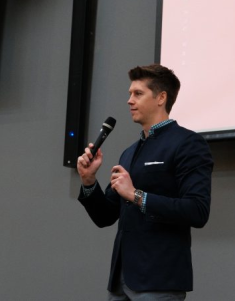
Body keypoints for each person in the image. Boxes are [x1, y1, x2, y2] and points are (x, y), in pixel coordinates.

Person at [77, 64, 214, 300]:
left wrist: (136, 195)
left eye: (138, 94)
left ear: (161, 97)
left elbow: (197, 210)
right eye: (130, 94)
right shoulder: (129, 153)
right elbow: (105, 217)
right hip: (121, 280)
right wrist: (89, 181)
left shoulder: (188, 144)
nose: (130, 100)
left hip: (159, 280)